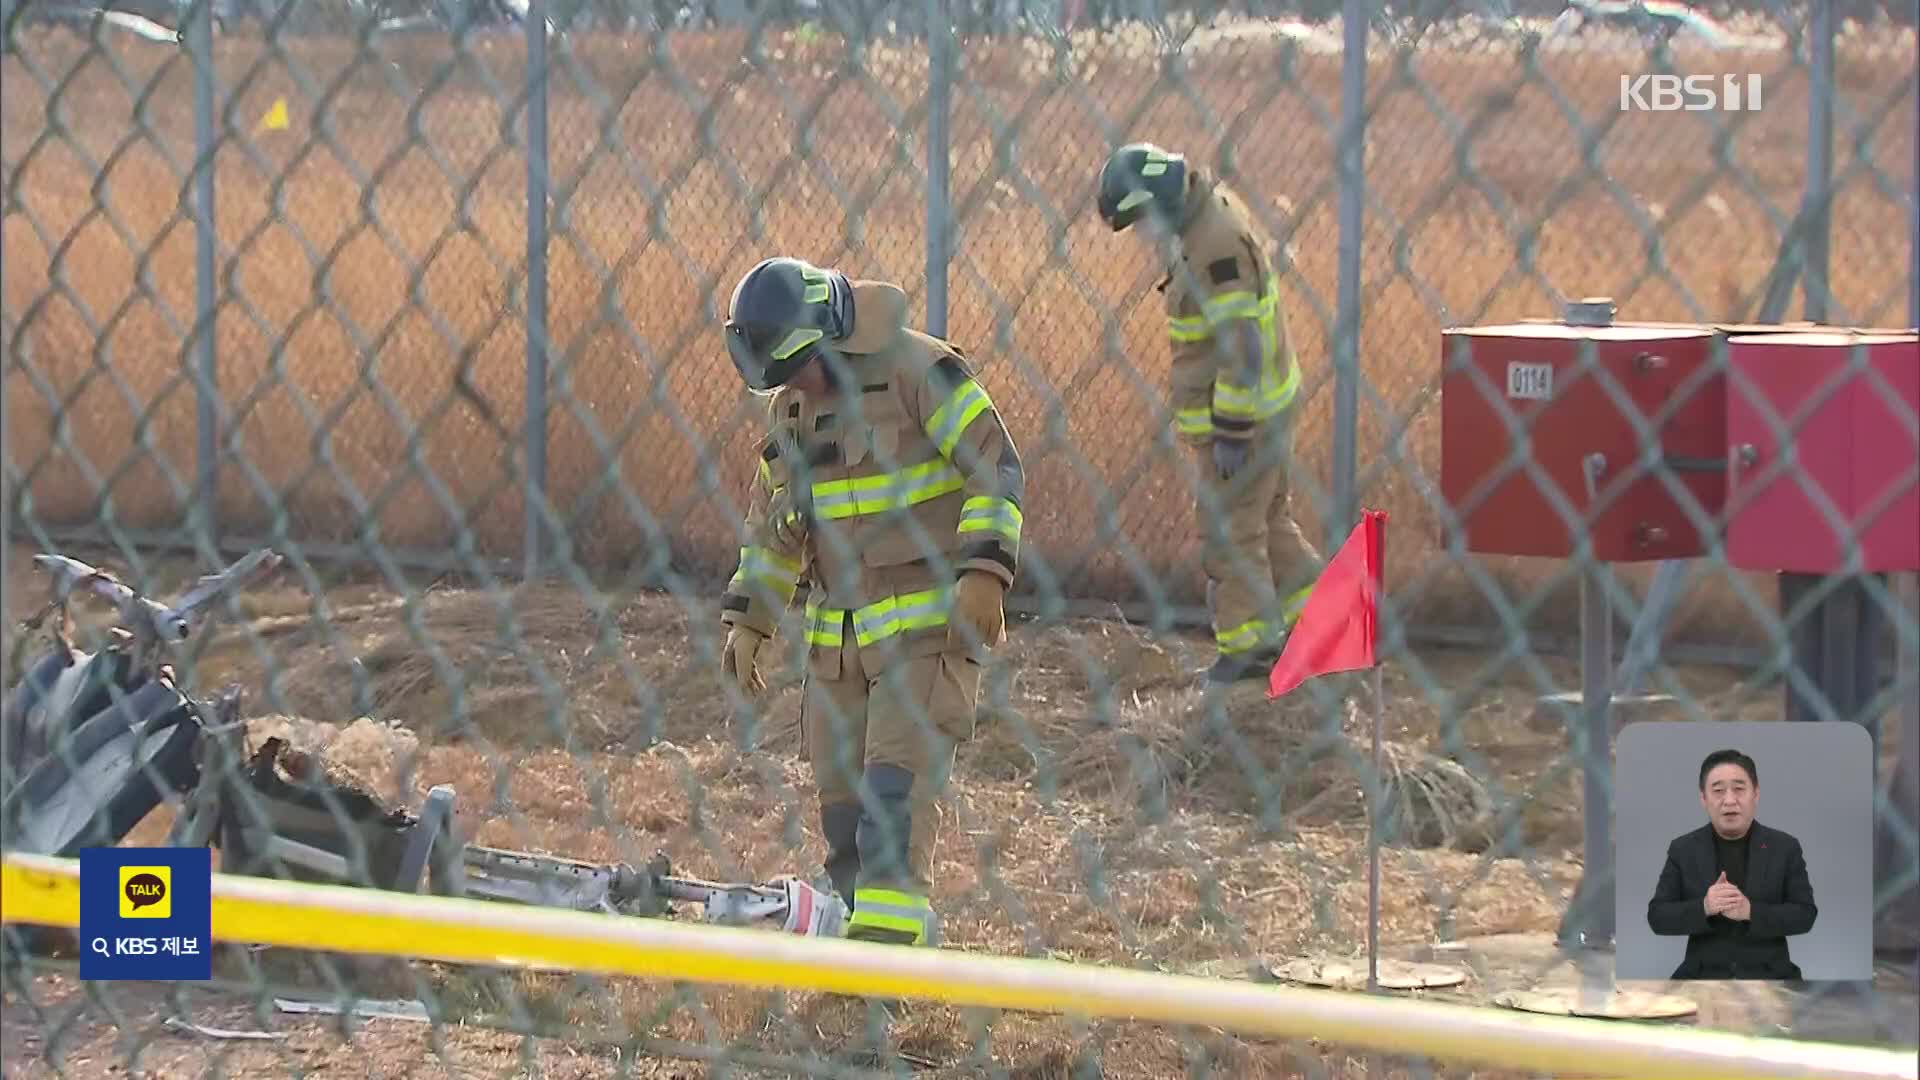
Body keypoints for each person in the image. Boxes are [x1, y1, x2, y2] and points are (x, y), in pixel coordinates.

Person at [714, 256, 1024, 950]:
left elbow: (994, 466)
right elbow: (775, 524)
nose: (796, 385)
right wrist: (749, 620)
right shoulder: (791, 406)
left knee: (895, 794)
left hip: (924, 627)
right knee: (843, 812)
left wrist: (985, 571)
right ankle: (879, 937)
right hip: (838, 641)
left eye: (802, 366)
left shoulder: (921, 372)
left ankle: (886, 969)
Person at [1094, 141, 1322, 684]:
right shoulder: (1201, 220)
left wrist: (1233, 432)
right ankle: (1319, 617)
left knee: (1230, 530)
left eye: (1140, 220)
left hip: (1246, 419)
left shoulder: (1214, 246)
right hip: (1261, 408)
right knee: (1268, 519)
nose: (1142, 236)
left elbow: (1240, 344)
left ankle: (1250, 650)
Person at [1646, 748, 1818, 980]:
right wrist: (1705, 906)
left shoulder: (1784, 847)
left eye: (1739, 789)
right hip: (1702, 978)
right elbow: (1658, 917)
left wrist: (1751, 912)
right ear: (1703, 798)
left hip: (1770, 977)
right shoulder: (1683, 849)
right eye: (1718, 791)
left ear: (1755, 794)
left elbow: (1805, 914)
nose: (1729, 800)